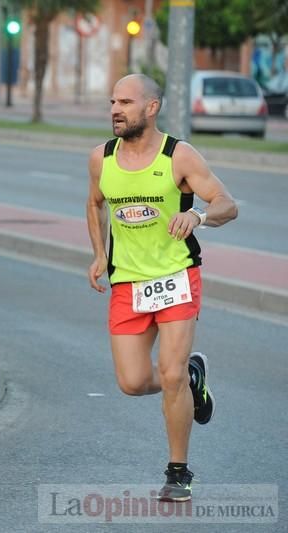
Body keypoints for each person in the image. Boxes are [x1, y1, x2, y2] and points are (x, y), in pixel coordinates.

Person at [86, 74, 238, 502]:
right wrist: (99, 254)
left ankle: (178, 471)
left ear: (151, 108)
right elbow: (95, 203)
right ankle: (193, 377)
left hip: (176, 276)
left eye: (126, 102)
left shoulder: (178, 156)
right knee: (132, 381)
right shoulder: (101, 158)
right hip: (127, 281)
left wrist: (200, 217)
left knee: (168, 374)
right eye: (113, 101)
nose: (116, 109)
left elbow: (227, 203)